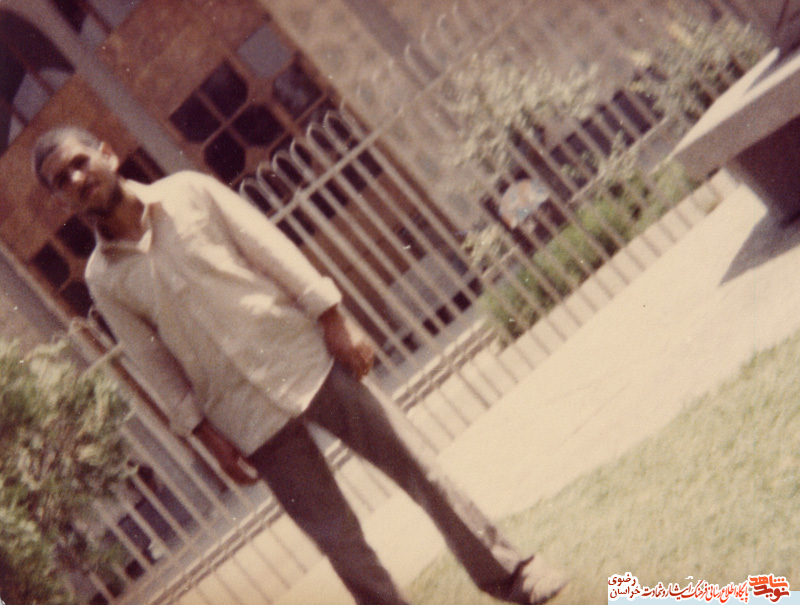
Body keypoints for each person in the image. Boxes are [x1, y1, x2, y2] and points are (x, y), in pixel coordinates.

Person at [32, 126, 568, 605]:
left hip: (307, 359)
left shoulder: (189, 192)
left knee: (421, 470)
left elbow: (269, 248)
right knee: (338, 539)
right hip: (245, 416)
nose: (77, 178)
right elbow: (153, 362)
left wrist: (334, 318)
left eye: (80, 162)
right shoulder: (104, 278)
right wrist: (208, 437)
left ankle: (513, 575)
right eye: (62, 180)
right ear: (60, 198)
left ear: (107, 154)